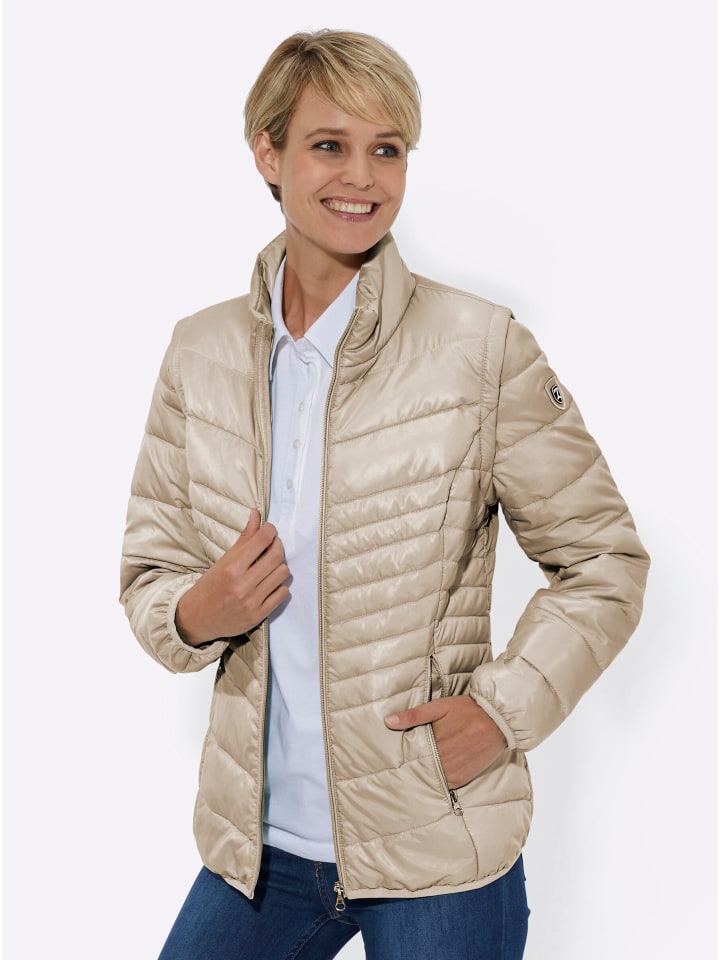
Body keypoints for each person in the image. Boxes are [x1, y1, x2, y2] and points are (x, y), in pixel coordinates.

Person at [120, 29, 649, 960]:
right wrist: (198, 612)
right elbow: (150, 574)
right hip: (260, 852)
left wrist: (501, 713)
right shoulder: (200, 353)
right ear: (269, 154)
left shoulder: (480, 348)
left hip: (436, 845)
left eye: (387, 149)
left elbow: (605, 562)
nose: (361, 177)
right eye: (329, 144)